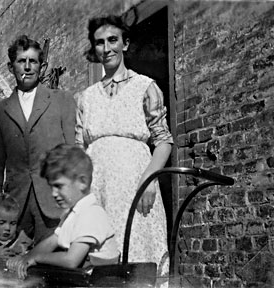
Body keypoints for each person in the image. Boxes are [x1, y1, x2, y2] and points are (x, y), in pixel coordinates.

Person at [75, 15, 174, 286]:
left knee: (138, 261)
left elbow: (164, 141)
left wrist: (149, 179)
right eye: (99, 43)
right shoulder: (86, 97)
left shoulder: (146, 87)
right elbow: (79, 149)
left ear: (125, 44)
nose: (106, 48)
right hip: (98, 190)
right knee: (102, 268)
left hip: (135, 187)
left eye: (112, 40)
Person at [0, 35, 77, 245]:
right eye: (21, 61)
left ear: (41, 67)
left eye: (32, 61)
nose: (27, 67)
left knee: (53, 268)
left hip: (54, 203)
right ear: (10, 66)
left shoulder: (62, 101)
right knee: (14, 269)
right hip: (15, 207)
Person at [6, 144, 120, 279]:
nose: (54, 193)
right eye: (52, 187)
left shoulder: (91, 214)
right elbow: (53, 241)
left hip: (100, 281)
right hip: (82, 277)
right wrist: (26, 258)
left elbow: (71, 260)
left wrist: (37, 258)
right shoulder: (73, 213)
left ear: (82, 182)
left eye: (59, 186)